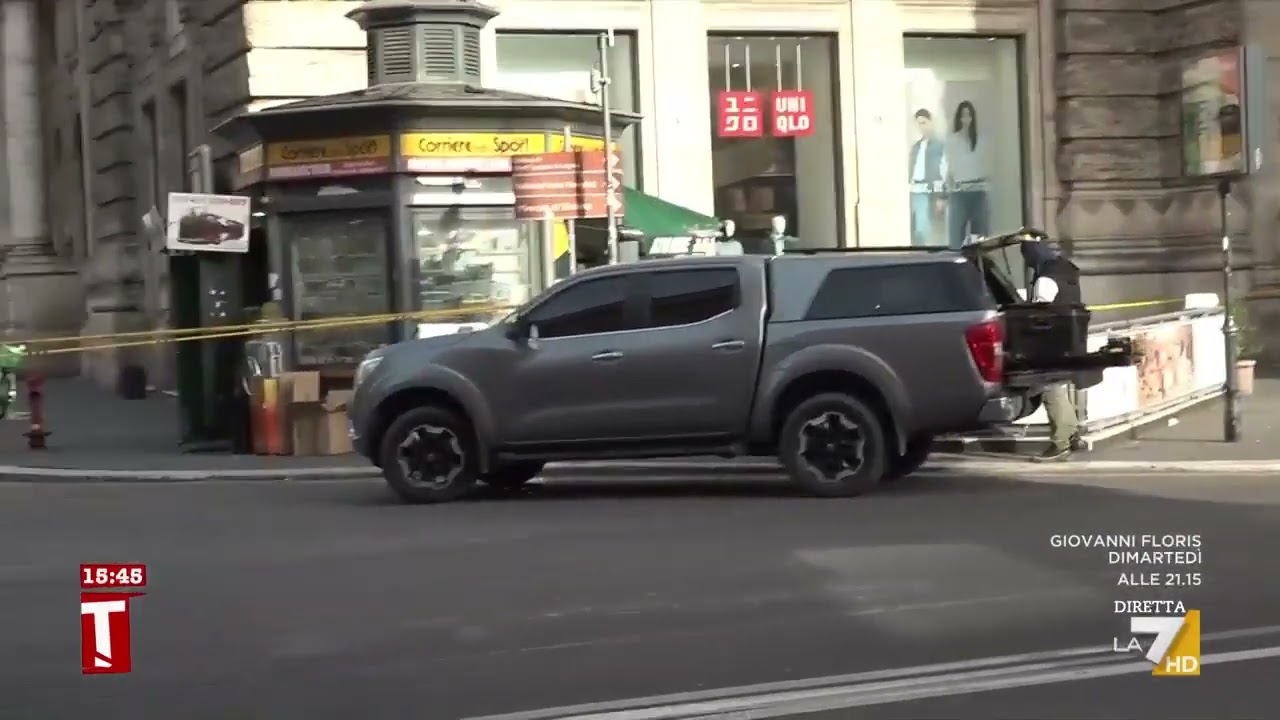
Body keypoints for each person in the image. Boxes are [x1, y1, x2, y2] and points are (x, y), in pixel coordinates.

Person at [1022, 240, 1085, 462]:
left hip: (1050, 340)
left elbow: (1041, 312)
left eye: (1027, 257)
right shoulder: (1066, 272)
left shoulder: (1045, 279)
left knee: (1049, 387)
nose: (1027, 262)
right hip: (1068, 337)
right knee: (1058, 385)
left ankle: (1060, 443)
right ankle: (1072, 434)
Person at [945, 101, 990, 249]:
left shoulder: (981, 140)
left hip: (978, 191)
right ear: (959, 118)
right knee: (956, 239)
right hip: (960, 192)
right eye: (963, 115)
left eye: (969, 115)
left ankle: (979, 269)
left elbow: (985, 165)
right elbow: (950, 167)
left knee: (981, 240)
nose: (966, 119)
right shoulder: (952, 140)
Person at [907, 109, 947, 246]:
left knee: (934, 228)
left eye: (924, 123)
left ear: (930, 123)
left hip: (933, 190)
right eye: (919, 124)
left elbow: (944, 170)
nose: (921, 127)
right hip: (917, 190)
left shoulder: (939, 145)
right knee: (920, 229)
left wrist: (942, 195)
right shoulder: (916, 147)